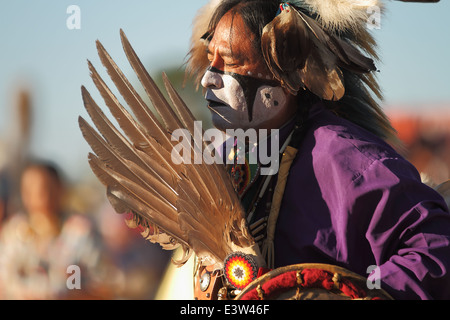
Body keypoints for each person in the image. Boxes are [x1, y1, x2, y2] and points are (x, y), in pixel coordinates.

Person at [184, 0, 450, 300]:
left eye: (230, 62)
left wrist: (347, 295)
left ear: (287, 73)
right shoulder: (227, 156)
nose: (208, 77)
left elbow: (435, 249)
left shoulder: (349, 160)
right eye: (210, 59)